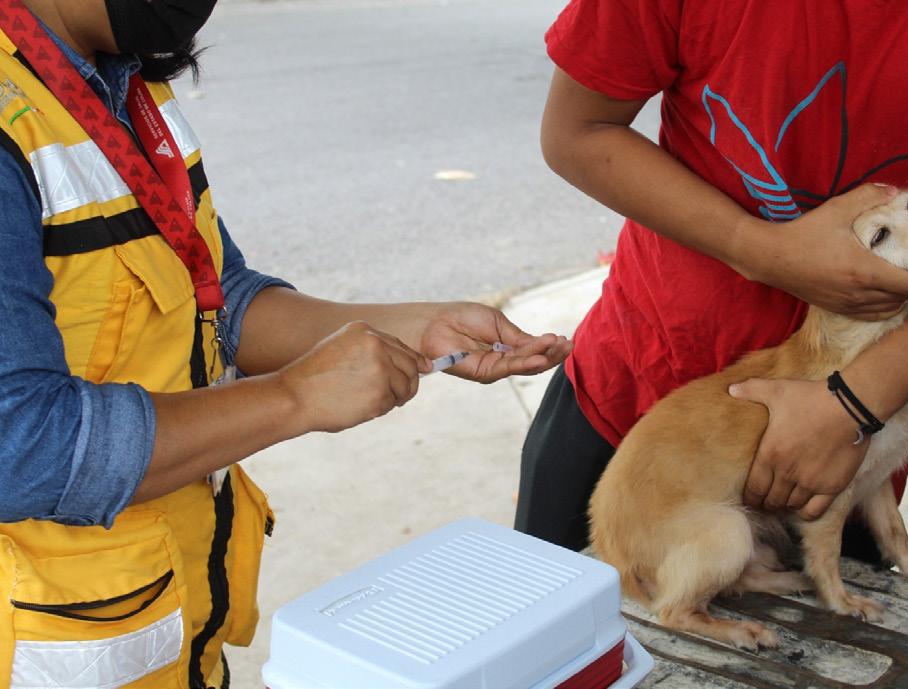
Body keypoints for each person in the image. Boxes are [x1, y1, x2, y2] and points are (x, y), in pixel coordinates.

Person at [0, 1, 571, 687]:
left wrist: (414, 328)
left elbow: (217, 292)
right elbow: (21, 445)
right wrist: (293, 398)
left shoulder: (124, 81)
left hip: (167, 621)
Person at [515, 0, 908, 556]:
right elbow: (578, 129)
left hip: (842, 447)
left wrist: (855, 402)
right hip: (636, 406)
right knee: (558, 611)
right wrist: (759, 250)